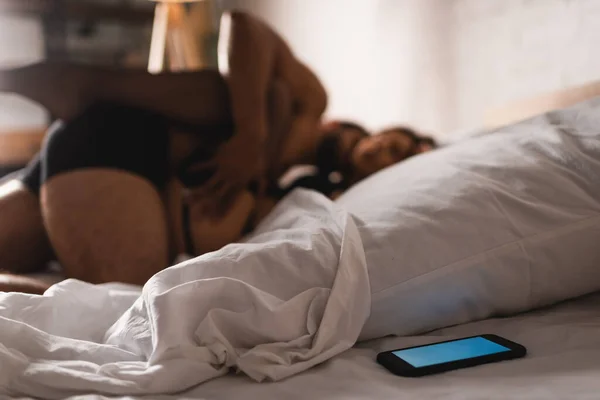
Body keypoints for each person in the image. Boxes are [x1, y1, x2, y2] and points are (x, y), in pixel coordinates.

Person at [0, 11, 435, 294]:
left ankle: (89, 85)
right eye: (390, 142)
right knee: (116, 302)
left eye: (394, 161)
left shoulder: (323, 193)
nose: (381, 153)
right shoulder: (309, 106)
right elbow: (241, 23)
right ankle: (85, 85)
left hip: (100, 152)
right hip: (116, 150)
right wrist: (249, 136)